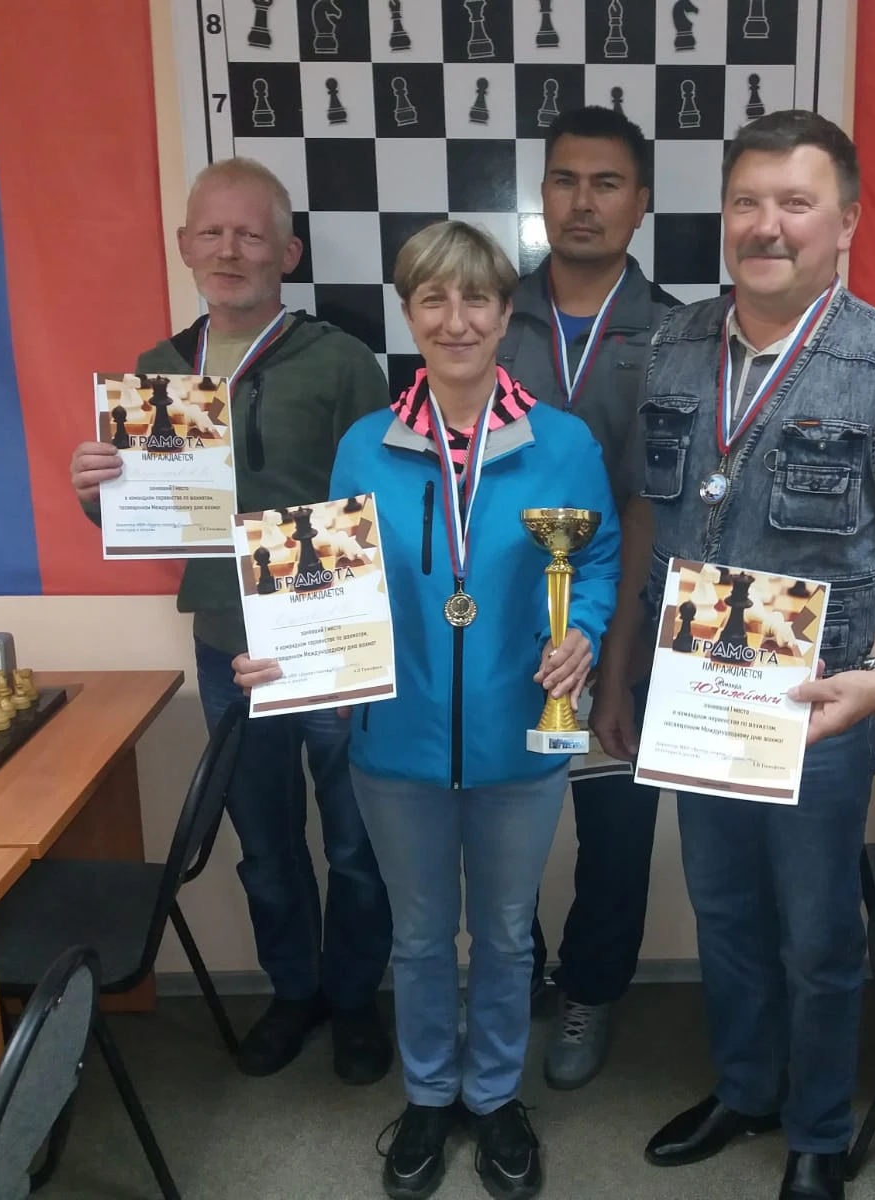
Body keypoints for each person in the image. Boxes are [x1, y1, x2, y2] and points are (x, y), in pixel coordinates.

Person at [638, 111, 875, 1200]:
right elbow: (652, 519)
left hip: (816, 704)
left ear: (844, 222)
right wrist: (622, 677)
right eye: (746, 202)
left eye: (795, 203)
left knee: (818, 935)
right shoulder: (671, 346)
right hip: (698, 696)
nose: (766, 225)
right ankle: (747, 1087)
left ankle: (818, 1131)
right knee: (724, 914)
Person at [238, 220, 621, 1200]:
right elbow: (332, 586)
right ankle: (426, 1092)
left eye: (476, 299)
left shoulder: (563, 443)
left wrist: (581, 628)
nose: (457, 321)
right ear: (408, 314)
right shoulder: (365, 447)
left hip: (521, 742)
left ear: (504, 313)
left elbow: (597, 561)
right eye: (434, 300)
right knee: (415, 938)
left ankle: (492, 1096)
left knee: (504, 936)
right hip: (394, 748)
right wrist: (287, 655)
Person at [69, 157, 396, 1084]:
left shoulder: (341, 362)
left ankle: (354, 998)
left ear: (287, 253)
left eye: (251, 234)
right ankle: (294, 993)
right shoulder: (157, 372)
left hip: (328, 646)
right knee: (264, 845)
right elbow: (147, 520)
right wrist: (97, 495)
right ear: (184, 245)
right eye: (211, 232)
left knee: (356, 843)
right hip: (226, 646)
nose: (230, 249)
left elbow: (384, 498)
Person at [495, 104, 680, 1090]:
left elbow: (656, 503)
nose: (583, 201)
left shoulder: (683, 332)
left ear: (640, 201)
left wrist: (618, 666)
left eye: (606, 183)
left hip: (629, 622)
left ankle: (592, 990)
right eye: (565, 180)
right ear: (542, 193)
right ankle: (515, 967)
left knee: (614, 834)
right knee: (503, 822)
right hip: (501, 629)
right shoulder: (491, 314)